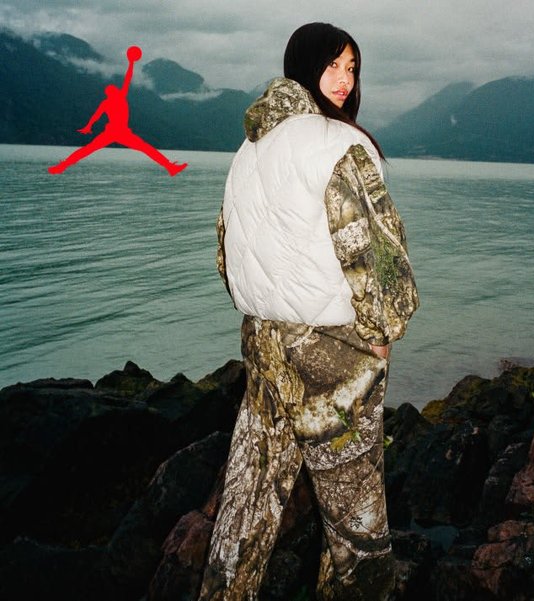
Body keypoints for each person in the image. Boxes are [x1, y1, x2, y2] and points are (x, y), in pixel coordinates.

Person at [201, 22, 418, 600]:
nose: (345, 79)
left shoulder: (246, 149)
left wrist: (267, 309)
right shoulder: (336, 144)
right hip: (331, 354)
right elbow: (375, 252)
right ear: (304, 67)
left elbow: (226, 250)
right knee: (356, 524)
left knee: (248, 506)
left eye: (352, 68)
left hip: (265, 346)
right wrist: (382, 333)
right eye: (333, 66)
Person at [48, 45, 187, 176]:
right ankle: (170, 167)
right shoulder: (118, 99)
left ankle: (170, 167)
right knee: (146, 149)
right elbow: (126, 80)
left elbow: (96, 116)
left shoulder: (109, 101)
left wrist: (88, 126)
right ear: (111, 93)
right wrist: (131, 63)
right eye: (113, 90)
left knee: (88, 150)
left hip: (118, 132)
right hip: (116, 132)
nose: (115, 90)